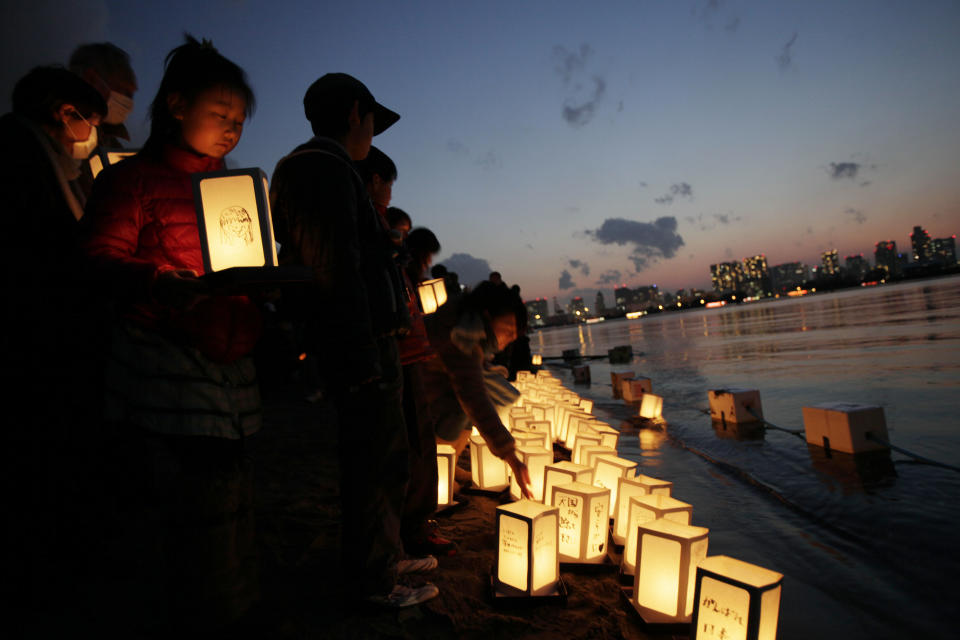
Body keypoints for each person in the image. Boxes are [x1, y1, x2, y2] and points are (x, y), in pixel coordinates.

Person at [81, 36, 262, 634]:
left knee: (235, 501)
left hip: (231, 371)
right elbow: (98, 259)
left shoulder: (234, 192)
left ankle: (230, 601)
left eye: (239, 121)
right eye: (220, 115)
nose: (231, 130)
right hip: (169, 376)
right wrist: (161, 281)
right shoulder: (132, 182)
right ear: (177, 105)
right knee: (193, 507)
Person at [270, 73, 437, 608]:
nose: (372, 134)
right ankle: (374, 576)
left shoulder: (312, 167)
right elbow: (337, 265)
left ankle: (384, 555)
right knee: (375, 456)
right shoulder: (324, 167)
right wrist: (363, 351)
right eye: (370, 121)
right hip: (360, 340)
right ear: (353, 114)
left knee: (378, 454)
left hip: (354, 337)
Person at [0, 65, 107, 631]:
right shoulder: (19, 150)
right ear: (66, 113)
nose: (93, 130)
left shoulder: (52, 158)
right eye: (90, 118)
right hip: (36, 344)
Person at [422, 281, 532, 495]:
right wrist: (511, 457)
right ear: (488, 314)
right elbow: (473, 396)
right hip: (412, 395)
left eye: (514, 336)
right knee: (462, 407)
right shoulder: (461, 337)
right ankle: (436, 470)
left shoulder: (464, 323)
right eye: (508, 330)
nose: (508, 340)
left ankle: (450, 464)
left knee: (469, 407)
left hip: (423, 388)